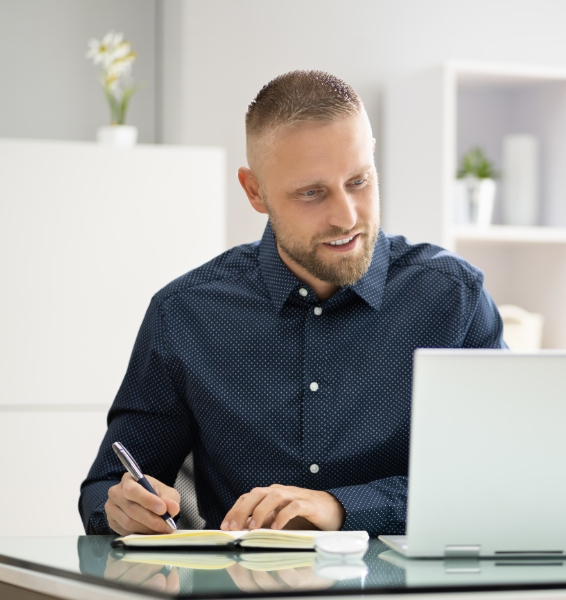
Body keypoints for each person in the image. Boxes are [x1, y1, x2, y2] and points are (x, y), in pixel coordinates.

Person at [79, 70, 505, 537]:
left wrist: (341, 508)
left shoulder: (453, 297)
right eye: (311, 193)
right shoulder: (183, 314)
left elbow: (495, 480)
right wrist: (120, 507)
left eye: (358, 181)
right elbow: (106, 486)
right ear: (255, 191)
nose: (346, 216)